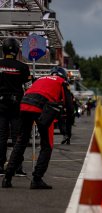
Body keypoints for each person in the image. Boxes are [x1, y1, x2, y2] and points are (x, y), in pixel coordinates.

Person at [2, 66, 74, 189]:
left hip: (24, 104)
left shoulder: (41, 79)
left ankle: (7, 177)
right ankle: (37, 179)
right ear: (64, 76)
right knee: (47, 145)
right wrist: (68, 132)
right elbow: (70, 107)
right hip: (42, 106)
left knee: (21, 141)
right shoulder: (62, 82)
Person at [0, 38, 30, 176]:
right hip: (17, 106)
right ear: (17, 50)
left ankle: (0, 165)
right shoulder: (23, 67)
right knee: (18, 137)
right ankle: (17, 166)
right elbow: (27, 84)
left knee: (1, 136)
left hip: (0, 105)